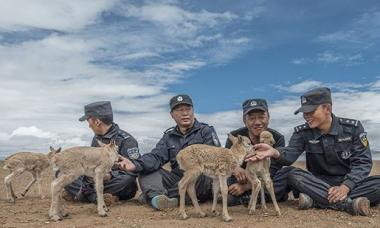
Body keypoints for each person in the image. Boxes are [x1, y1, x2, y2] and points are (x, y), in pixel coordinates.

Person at [246, 87, 380, 216]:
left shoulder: (353, 128)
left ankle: (316, 201)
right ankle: (347, 204)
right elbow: (290, 154)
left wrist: (346, 187)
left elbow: (362, 163)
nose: (306, 116)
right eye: (304, 112)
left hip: (348, 183)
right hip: (316, 183)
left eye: (311, 111)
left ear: (327, 108)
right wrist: (274, 152)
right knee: (290, 174)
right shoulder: (302, 132)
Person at [117, 94, 221, 210]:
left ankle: (153, 197)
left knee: (200, 174)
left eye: (188, 109)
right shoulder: (169, 136)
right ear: (172, 115)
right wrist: (135, 164)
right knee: (146, 171)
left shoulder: (205, 131)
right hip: (177, 179)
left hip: (199, 180)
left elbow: (216, 156)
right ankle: (161, 198)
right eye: (180, 110)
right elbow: (156, 156)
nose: (185, 113)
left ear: (193, 111)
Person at [63, 101, 139, 204]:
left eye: (88, 121)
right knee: (65, 174)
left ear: (97, 122)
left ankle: (84, 195)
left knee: (127, 182)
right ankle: (96, 197)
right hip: (94, 179)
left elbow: (133, 170)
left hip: (113, 182)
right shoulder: (96, 139)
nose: (89, 125)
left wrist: (110, 176)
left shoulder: (126, 140)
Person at [226, 98, 293, 206]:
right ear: (244, 120)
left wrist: (246, 186)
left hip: (264, 178)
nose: (257, 122)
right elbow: (227, 159)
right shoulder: (235, 137)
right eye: (252, 118)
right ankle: (272, 196)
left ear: (268, 118)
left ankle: (247, 198)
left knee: (282, 177)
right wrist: (235, 168)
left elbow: (273, 169)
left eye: (261, 117)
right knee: (230, 191)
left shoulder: (277, 138)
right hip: (242, 178)